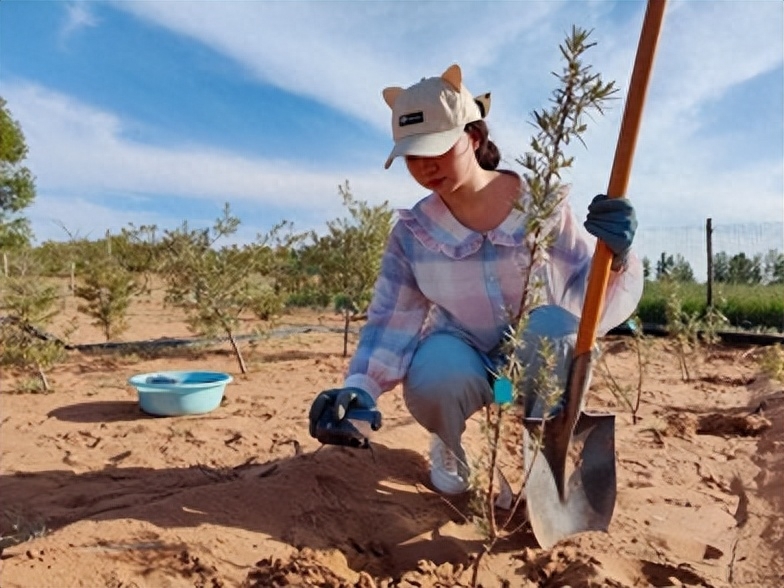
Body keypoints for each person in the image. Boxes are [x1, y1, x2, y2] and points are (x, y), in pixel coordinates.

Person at [308, 64, 643, 495]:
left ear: (474, 137)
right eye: (414, 155)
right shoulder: (414, 235)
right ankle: (447, 440)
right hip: (471, 370)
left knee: (554, 329)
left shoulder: (538, 205)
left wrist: (615, 257)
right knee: (434, 373)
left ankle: (545, 456)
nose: (427, 166)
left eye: (438, 147)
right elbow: (393, 318)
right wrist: (361, 388)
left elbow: (586, 287)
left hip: (531, 370)